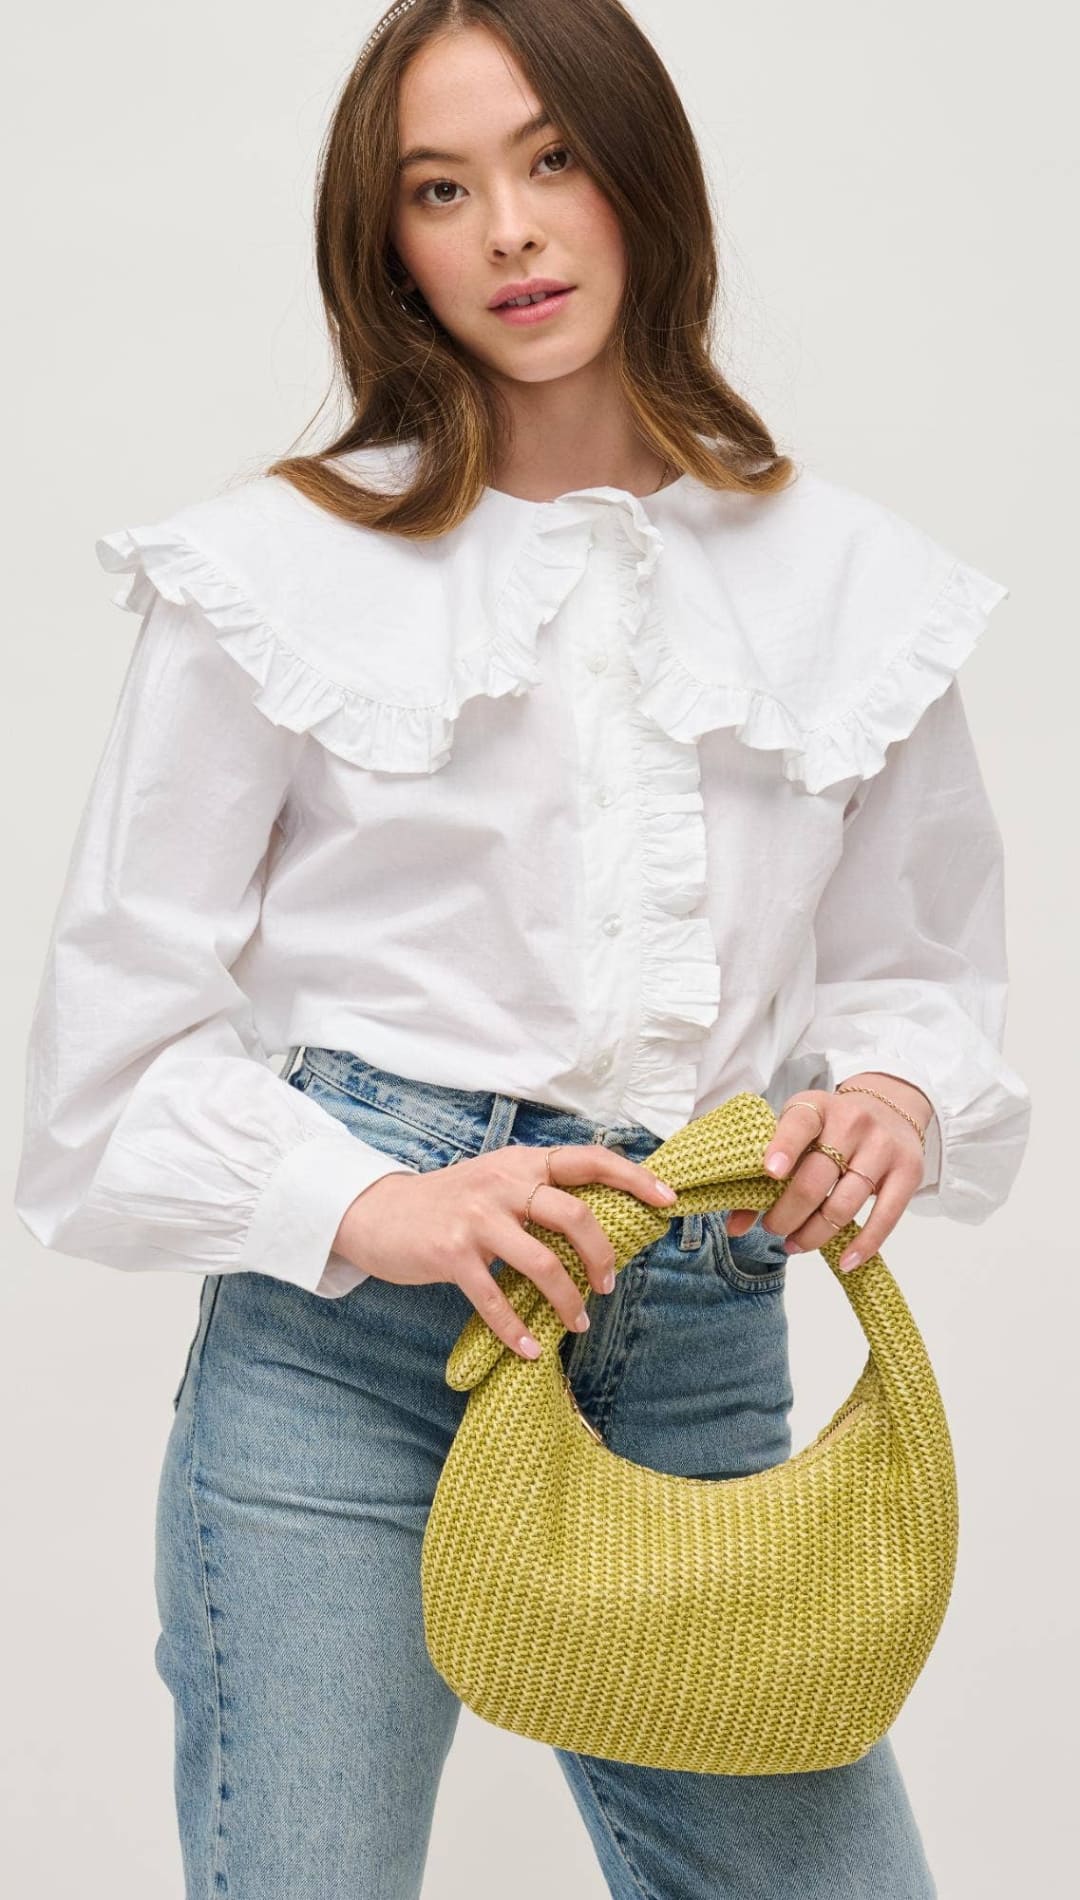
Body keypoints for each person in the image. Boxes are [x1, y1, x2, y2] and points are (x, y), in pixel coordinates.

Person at [14, 2, 1030, 1895]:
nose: (509, 231)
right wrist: (382, 1208)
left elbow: (921, 976)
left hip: (705, 1332)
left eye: (552, 158)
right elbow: (105, 1073)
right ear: (384, 240)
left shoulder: (851, 584)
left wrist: (888, 1099)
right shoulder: (274, 573)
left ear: (644, 170)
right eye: (440, 187)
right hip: (348, 1355)